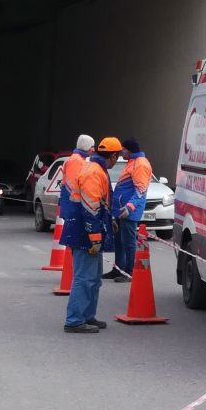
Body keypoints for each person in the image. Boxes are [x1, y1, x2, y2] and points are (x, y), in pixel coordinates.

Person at [62, 137, 121, 334]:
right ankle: (75, 320)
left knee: (93, 278)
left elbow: (97, 204)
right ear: (113, 156)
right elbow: (90, 207)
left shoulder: (95, 169)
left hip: (86, 230)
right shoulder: (94, 172)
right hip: (84, 232)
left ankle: (86, 316)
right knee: (84, 277)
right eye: (117, 157)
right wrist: (95, 237)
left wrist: (107, 221)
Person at [107, 138, 154, 282]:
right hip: (122, 210)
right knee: (119, 241)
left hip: (128, 211)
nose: (121, 152)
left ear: (130, 150)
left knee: (128, 242)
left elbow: (140, 190)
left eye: (123, 149)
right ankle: (119, 269)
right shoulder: (132, 162)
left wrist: (129, 207)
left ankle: (129, 272)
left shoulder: (140, 164)